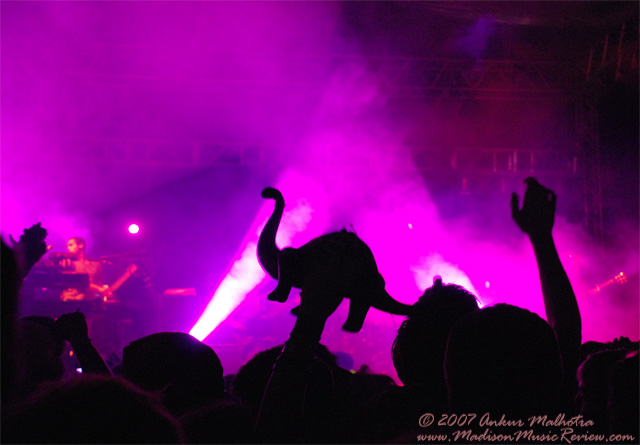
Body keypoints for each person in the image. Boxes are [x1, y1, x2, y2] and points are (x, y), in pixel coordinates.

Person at [60, 237, 109, 302]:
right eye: (68, 246)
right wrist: (99, 288)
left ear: (80, 245)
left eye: (71, 245)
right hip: (70, 301)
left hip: (89, 302)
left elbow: (99, 282)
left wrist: (105, 291)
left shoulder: (96, 264)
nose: (68, 248)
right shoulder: (68, 263)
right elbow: (79, 281)